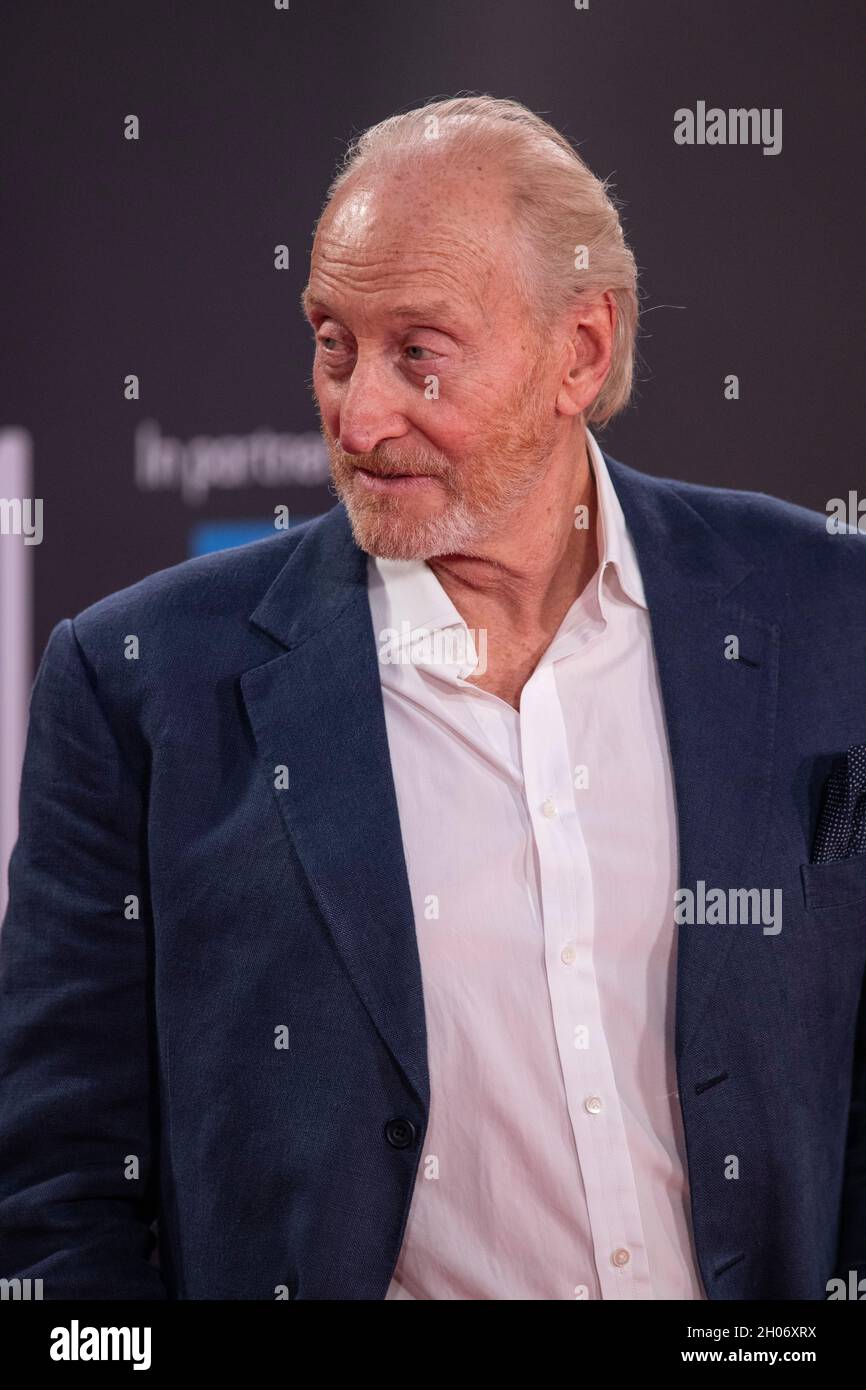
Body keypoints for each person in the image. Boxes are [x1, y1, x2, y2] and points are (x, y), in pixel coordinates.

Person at [1, 95, 864, 1301]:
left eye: (419, 351)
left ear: (579, 350)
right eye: (331, 342)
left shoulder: (827, 612)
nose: (356, 417)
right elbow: (55, 1192)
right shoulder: (141, 686)